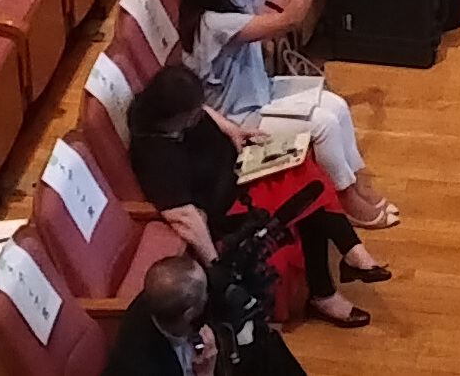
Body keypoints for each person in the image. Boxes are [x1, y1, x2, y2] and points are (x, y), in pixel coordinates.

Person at [124, 63, 386, 330]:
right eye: (192, 114)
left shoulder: (172, 112)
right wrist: (215, 264)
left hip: (243, 174)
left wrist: (231, 129)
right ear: (173, 116)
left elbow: (205, 111)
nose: (199, 116)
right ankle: (336, 279)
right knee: (309, 196)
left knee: (307, 173)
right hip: (231, 209)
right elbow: (183, 216)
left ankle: (350, 259)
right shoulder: (154, 156)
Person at [171, 0, 397, 227]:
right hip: (240, 119)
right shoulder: (212, 24)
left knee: (337, 106)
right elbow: (290, 19)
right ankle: (346, 200)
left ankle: (355, 186)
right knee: (324, 125)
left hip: (261, 92)